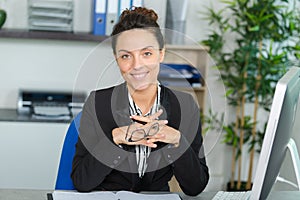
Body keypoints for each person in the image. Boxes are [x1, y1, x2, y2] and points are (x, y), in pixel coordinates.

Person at [71, 7, 209, 196]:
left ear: (161, 54)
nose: (137, 66)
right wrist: (115, 140)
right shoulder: (98, 103)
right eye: (126, 56)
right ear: (117, 59)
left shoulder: (184, 106)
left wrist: (177, 141)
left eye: (146, 54)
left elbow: (195, 187)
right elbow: (81, 181)